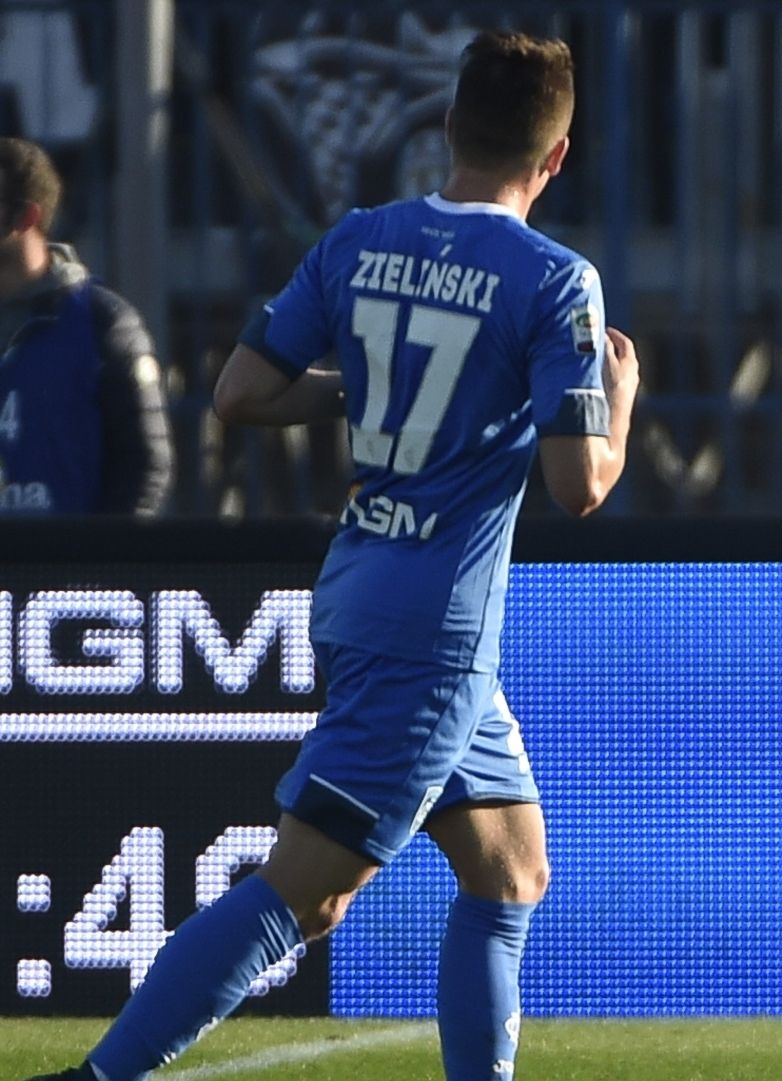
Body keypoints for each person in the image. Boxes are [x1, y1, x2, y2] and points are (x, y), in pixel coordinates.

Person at [28, 30, 638, 1081]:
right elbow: (582, 483)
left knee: (510, 872)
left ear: (448, 128)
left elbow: (240, 396)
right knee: (304, 895)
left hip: (368, 590)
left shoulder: (361, 239)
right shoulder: (554, 278)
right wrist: (618, 402)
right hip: (433, 630)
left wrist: (364, 387)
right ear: (558, 156)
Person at [0, 137, 173, 515]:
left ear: (25, 218)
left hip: (67, 570)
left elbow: (145, 466)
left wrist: (103, 569)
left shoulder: (103, 324)